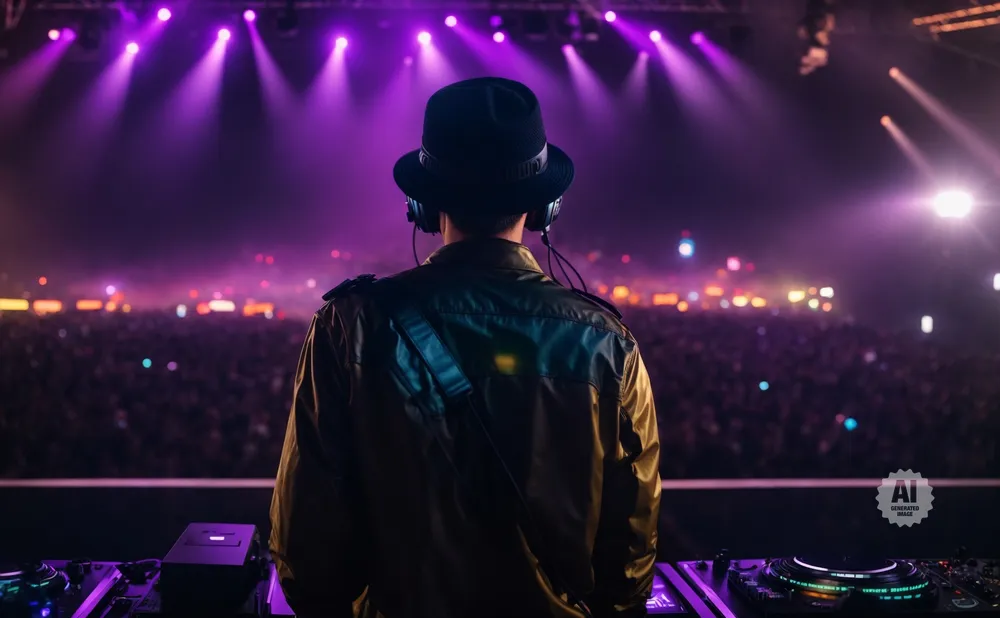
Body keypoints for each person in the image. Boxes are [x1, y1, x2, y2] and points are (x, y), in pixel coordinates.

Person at [269, 77, 661, 618]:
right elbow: (631, 541)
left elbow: (305, 536)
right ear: (547, 207)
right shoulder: (604, 341)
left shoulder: (350, 324)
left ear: (422, 206)